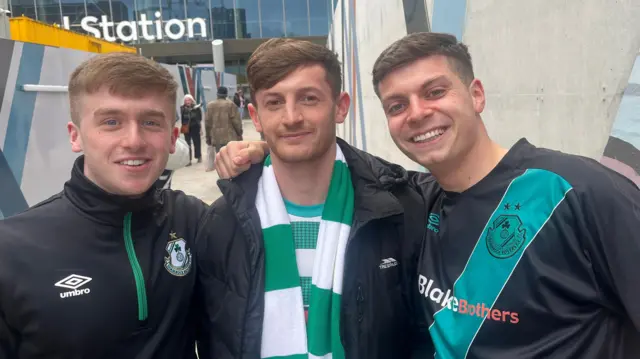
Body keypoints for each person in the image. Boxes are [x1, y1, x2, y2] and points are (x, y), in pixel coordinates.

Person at [221, 32, 640, 358]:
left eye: (435, 92)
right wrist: (265, 150)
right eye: (397, 105)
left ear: (476, 94)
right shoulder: (416, 200)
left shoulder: (579, 192)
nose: (418, 113)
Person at [196, 38, 429, 359]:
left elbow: (422, 335)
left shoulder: (398, 210)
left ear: (341, 106)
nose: (291, 117)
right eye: (275, 102)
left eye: (308, 98)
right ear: (256, 116)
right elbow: (211, 341)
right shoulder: (222, 223)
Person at [0, 52, 209, 358]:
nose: (134, 140)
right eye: (111, 122)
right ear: (76, 136)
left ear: (172, 138)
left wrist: (260, 162)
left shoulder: (193, 219)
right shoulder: (10, 249)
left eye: (151, 122)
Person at [204, 86, 242, 162]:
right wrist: (239, 133)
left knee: (220, 158)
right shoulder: (231, 105)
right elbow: (236, 121)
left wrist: (208, 137)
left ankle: (222, 173)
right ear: (226, 94)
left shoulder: (210, 106)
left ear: (217, 94)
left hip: (216, 137)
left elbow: (207, 123)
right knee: (231, 158)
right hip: (230, 136)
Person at [181, 94, 203, 166]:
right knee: (187, 144)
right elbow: (183, 116)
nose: (187, 101)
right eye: (186, 100)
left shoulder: (197, 108)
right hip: (186, 127)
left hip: (195, 127)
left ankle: (198, 156)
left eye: (189, 100)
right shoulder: (183, 108)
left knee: (197, 142)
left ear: (192, 100)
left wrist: (201, 128)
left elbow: (199, 118)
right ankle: (188, 160)